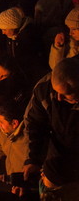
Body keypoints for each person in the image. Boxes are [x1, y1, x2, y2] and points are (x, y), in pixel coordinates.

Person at [23, 56, 79, 189]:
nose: (58, 97)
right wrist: (34, 159)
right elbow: (36, 123)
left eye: (66, 94)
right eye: (56, 91)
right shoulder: (44, 90)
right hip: (57, 158)